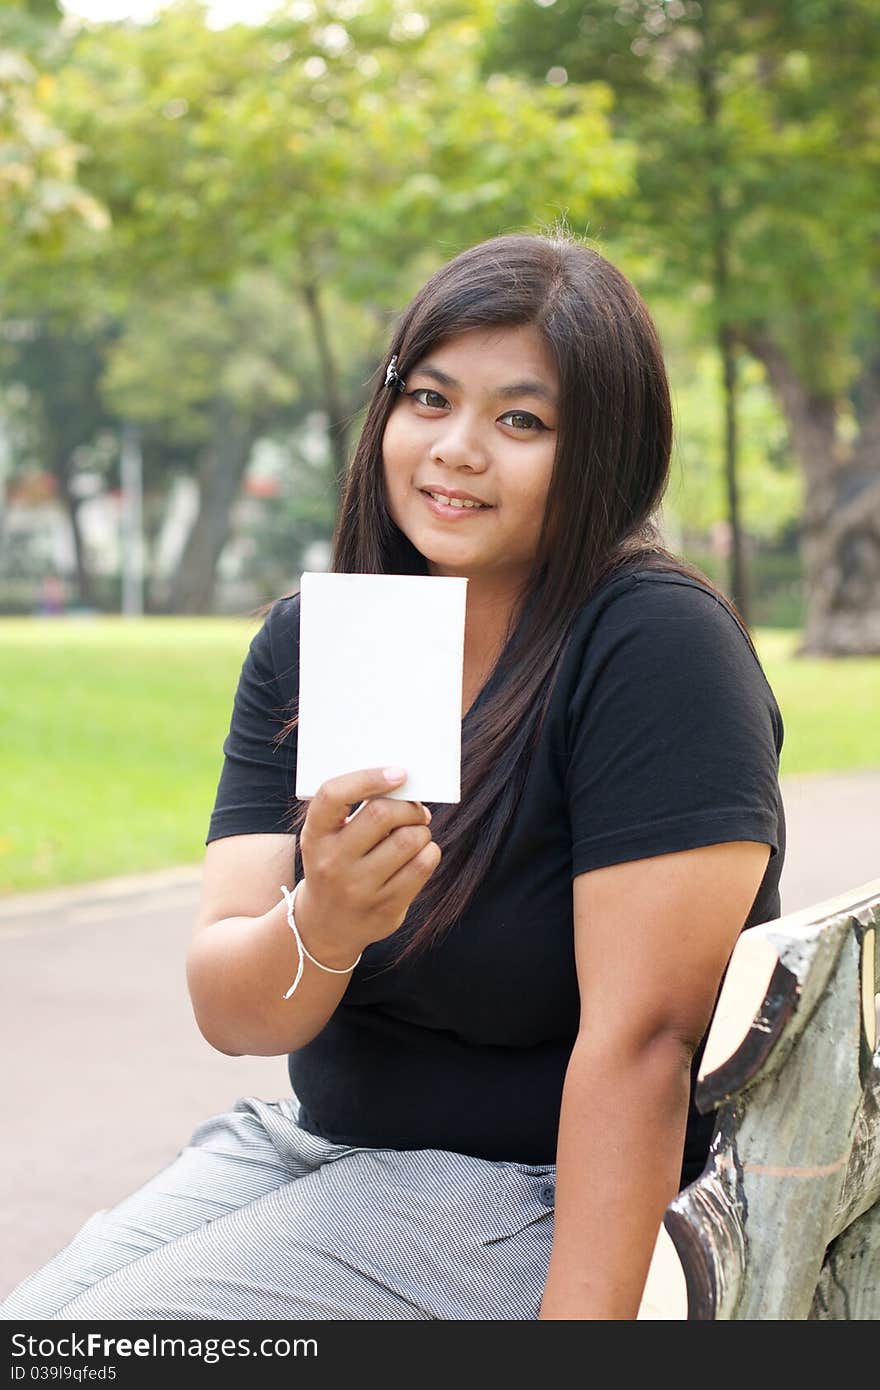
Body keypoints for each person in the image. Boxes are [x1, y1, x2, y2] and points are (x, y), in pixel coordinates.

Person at [1, 231, 785, 1321]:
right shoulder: (320, 643)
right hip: (317, 1149)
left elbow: (645, 1044)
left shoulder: (650, 643)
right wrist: (325, 916)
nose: (456, 448)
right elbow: (234, 1011)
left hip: (530, 1189)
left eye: (522, 419)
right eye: (428, 398)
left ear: (604, 448)